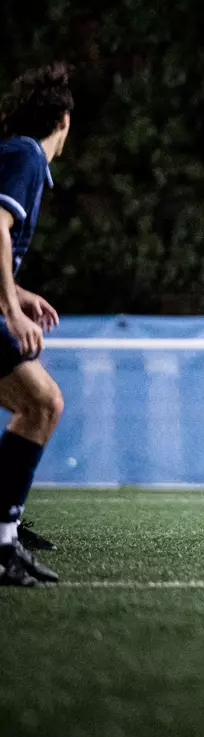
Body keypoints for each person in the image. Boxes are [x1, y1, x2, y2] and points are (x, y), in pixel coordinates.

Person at [0, 62, 72, 586]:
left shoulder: (18, 156)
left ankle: (7, 526)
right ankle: (3, 539)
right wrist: (9, 307)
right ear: (63, 121)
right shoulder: (25, 154)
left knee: (27, 403)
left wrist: (20, 295)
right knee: (41, 403)